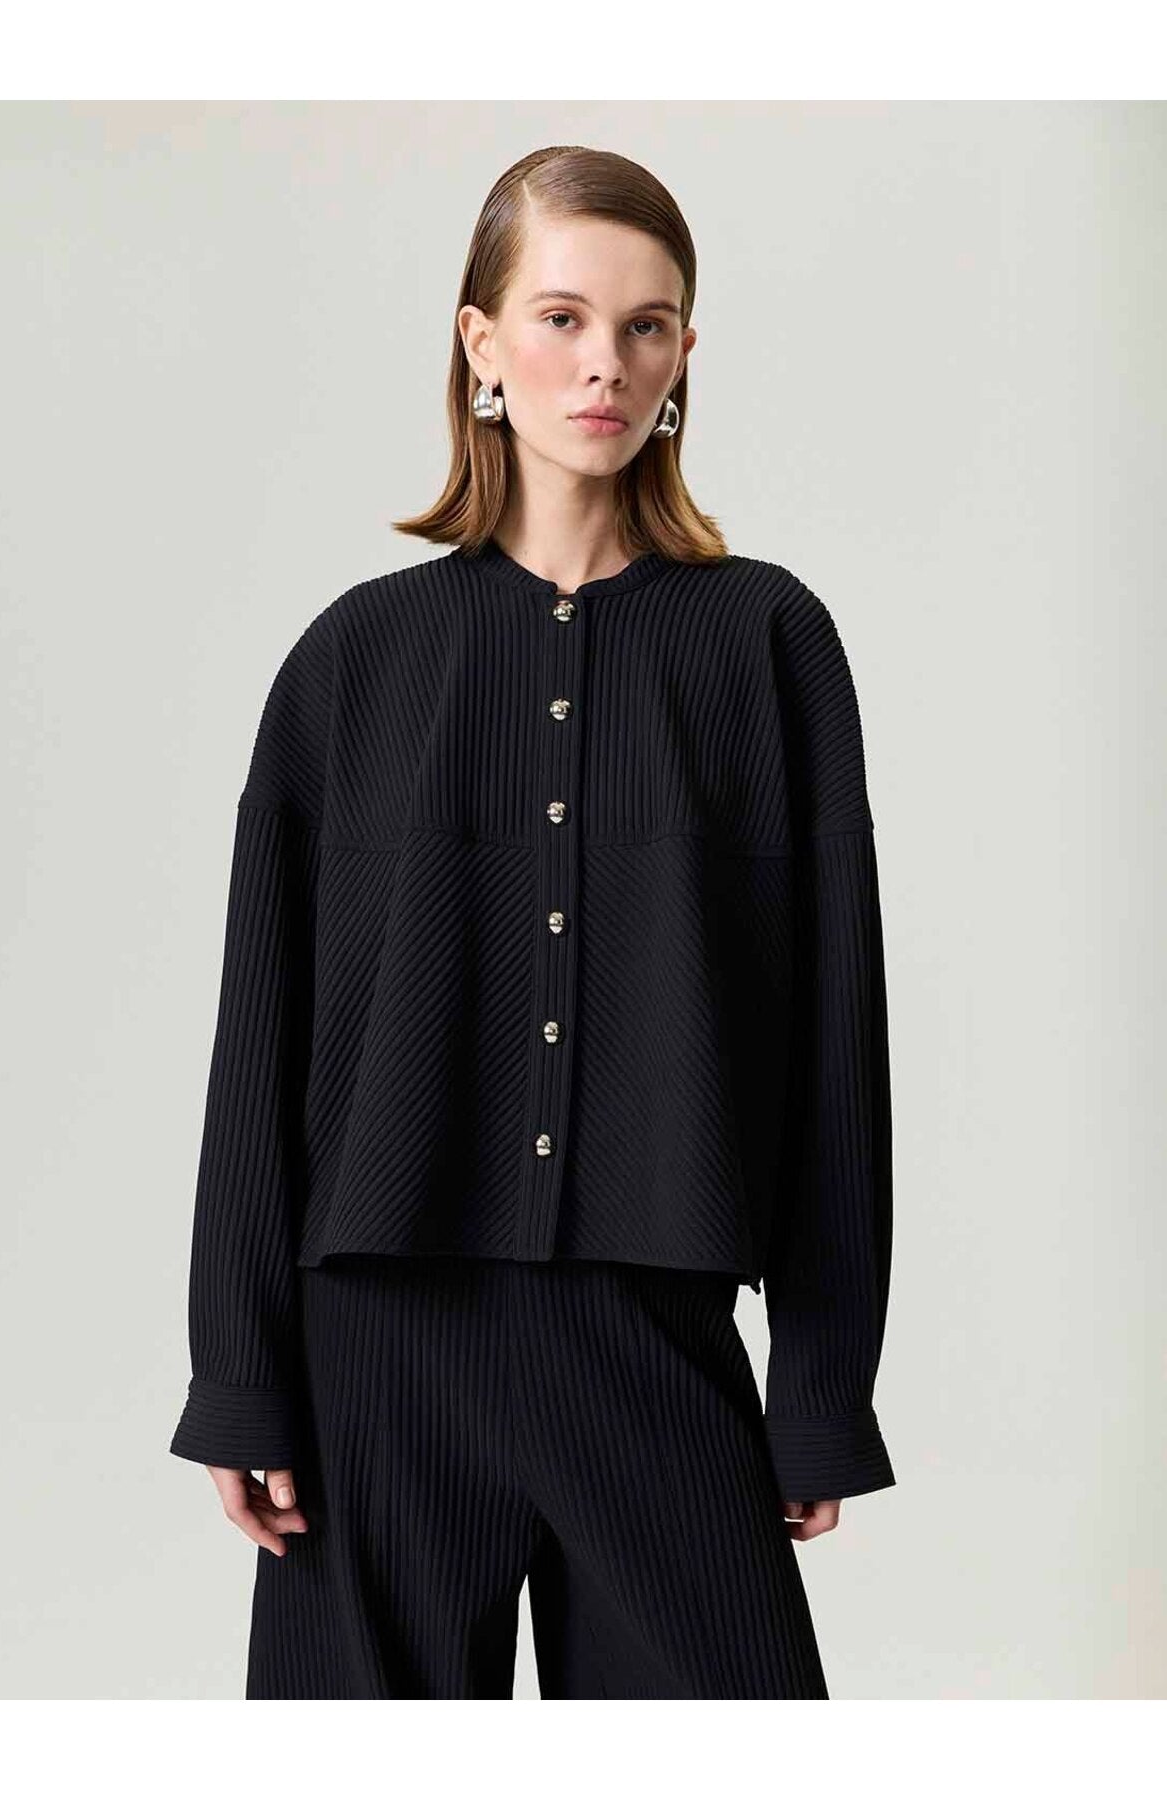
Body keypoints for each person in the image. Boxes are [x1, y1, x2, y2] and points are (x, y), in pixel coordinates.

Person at [168, 144, 897, 1700]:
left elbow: (834, 1034)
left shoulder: (768, 644)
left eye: (647, 325)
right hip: (378, 1353)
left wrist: (824, 1383)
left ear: (684, 356)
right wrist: (238, 1370)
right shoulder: (353, 663)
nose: (604, 363)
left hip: (654, 1332)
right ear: (481, 342)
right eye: (562, 317)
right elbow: (262, 1039)